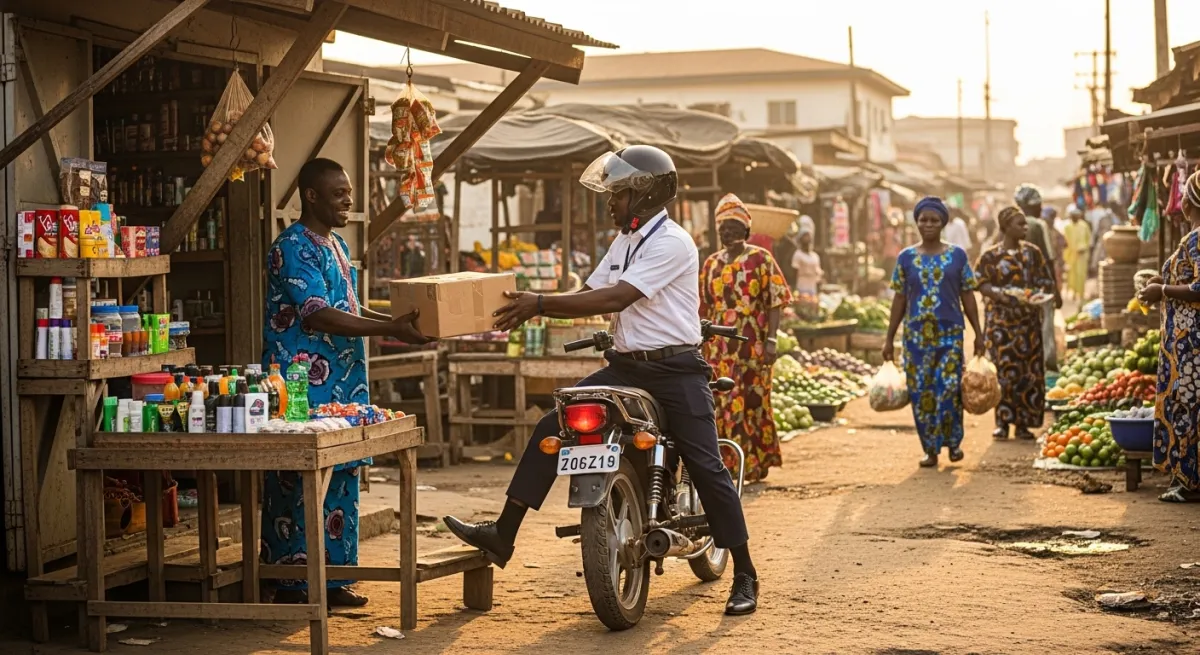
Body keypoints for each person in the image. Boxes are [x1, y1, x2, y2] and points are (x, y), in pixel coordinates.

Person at [441, 145, 760, 615]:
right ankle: (502, 535)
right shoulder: (625, 242)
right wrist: (525, 303)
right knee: (554, 425)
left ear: (645, 194)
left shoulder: (672, 241)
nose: (610, 203)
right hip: (627, 366)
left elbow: (619, 296)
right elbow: (590, 292)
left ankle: (746, 572)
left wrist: (541, 304)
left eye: (618, 194)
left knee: (708, 466)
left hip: (676, 370)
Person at [260, 158, 431, 606]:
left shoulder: (334, 244)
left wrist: (396, 325)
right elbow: (317, 313)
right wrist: (387, 328)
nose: (349, 201)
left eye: (350, 192)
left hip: (344, 384)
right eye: (340, 194)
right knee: (299, 482)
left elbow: (350, 309)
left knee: (342, 478)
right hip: (302, 384)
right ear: (311, 196)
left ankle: (335, 580)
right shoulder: (292, 246)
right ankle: (295, 583)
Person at [883, 196, 985, 468]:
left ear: (943, 223)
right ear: (916, 222)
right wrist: (889, 338)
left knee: (950, 388)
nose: (928, 224)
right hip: (916, 338)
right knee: (922, 392)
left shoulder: (957, 255)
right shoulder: (906, 258)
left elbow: (968, 295)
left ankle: (953, 443)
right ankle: (930, 449)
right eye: (923, 219)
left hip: (950, 334)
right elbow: (900, 299)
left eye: (934, 220)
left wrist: (979, 333)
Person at [701, 194, 794, 482]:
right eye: (722, 228)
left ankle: (757, 463)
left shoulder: (760, 259)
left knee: (753, 403)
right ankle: (729, 464)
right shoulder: (711, 264)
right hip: (718, 349)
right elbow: (703, 306)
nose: (727, 232)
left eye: (733, 226)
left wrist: (771, 340)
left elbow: (776, 300)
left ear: (746, 230)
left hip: (752, 344)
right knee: (724, 403)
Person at [1138, 170, 1200, 503]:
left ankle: (1190, 482)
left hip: (1191, 343)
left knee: (1187, 407)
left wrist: (1161, 289)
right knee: (1187, 407)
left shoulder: (1198, 237)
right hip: (1184, 340)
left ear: (1189, 201)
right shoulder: (1192, 236)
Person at [976, 207, 1056, 440]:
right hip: (1001, 326)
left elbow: (1045, 281)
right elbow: (979, 282)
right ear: (1005, 227)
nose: (1025, 227)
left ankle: (1023, 424)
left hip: (1028, 325)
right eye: (1020, 224)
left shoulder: (1033, 253)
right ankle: (1002, 422)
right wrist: (998, 294)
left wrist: (1036, 295)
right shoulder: (990, 256)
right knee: (1003, 374)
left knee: (1028, 374)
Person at [1014, 184, 1062, 372]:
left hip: (1018, 287)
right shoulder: (1038, 225)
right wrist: (1055, 290)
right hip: (1040, 286)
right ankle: (1047, 366)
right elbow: (1048, 260)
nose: (1041, 208)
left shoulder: (1008, 224)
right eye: (1038, 205)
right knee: (1045, 327)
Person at [1063, 205, 1092, 302]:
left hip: (1082, 255)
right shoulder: (1067, 227)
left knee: (1081, 275)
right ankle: (1073, 293)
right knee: (1071, 275)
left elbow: (1088, 239)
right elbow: (1065, 241)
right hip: (1071, 255)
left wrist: (1084, 248)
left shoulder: (1084, 226)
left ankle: (1081, 294)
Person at [791, 228, 823, 299]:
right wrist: (793, 288)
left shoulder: (815, 256)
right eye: (805, 237)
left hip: (812, 286)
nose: (807, 239)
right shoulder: (798, 254)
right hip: (802, 285)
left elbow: (818, 273)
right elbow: (794, 272)